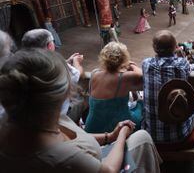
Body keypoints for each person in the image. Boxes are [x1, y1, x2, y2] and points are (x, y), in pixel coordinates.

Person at [0, 48, 161, 172]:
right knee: (142, 137)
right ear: (61, 94)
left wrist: (109, 136)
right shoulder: (59, 156)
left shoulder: (34, 118)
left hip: (96, 140)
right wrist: (120, 136)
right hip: (103, 163)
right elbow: (109, 170)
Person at [141, 30, 194, 143]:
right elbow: (185, 65)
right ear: (175, 47)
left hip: (151, 135)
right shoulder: (182, 63)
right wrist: (181, 55)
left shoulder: (146, 64)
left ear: (154, 48)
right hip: (181, 134)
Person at [21, 29, 85, 121]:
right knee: (80, 98)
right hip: (57, 118)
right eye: (52, 43)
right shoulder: (55, 62)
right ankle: (77, 123)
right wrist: (76, 62)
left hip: (34, 116)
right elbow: (79, 75)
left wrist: (67, 61)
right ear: (50, 46)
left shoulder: (21, 64)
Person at [85, 42, 143, 134]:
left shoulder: (94, 73)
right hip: (117, 127)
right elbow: (141, 73)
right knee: (141, 106)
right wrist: (131, 64)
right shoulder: (123, 77)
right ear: (123, 59)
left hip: (91, 127)